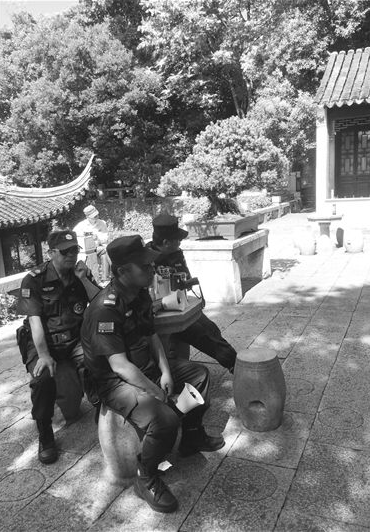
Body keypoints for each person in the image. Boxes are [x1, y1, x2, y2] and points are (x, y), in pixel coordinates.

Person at [81, 235, 224, 513]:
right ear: (123, 271)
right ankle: (145, 476)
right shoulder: (104, 310)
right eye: (144, 266)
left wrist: (166, 371)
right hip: (114, 382)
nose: (152, 270)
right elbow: (120, 367)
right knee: (164, 418)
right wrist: (156, 392)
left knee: (199, 375)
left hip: (144, 368)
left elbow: (152, 336)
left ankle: (192, 436)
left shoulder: (140, 294)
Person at [17, 230, 100, 465]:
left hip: (74, 340)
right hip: (44, 343)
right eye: (65, 252)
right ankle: (45, 434)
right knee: (41, 380)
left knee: (100, 361)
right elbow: (35, 322)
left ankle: (103, 410)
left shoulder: (80, 273)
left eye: (74, 250)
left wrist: (84, 279)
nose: (71, 255)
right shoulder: (34, 280)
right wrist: (43, 355)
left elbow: (100, 302)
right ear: (51, 253)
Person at [147, 213, 237, 372]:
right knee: (202, 334)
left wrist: (182, 283)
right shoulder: (146, 260)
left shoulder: (176, 253)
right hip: (158, 314)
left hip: (179, 306)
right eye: (177, 239)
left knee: (211, 328)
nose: (180, 242)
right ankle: (236, 365)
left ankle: (235, 364)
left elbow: (186, 280)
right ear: (166, 242)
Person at [73, 205, 110, 282]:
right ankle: (96, 279)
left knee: (104, 253)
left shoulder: (102, 223)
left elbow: (105, 238)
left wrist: (97, 238)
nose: (96, 217)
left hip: (98, 247)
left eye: (97, 215)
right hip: (86, 249)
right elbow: (74, 236)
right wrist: (86, 237)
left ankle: (104, 278)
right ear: (87, 217)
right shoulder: (81, 226)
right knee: (95, 254)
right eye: (94, 216)